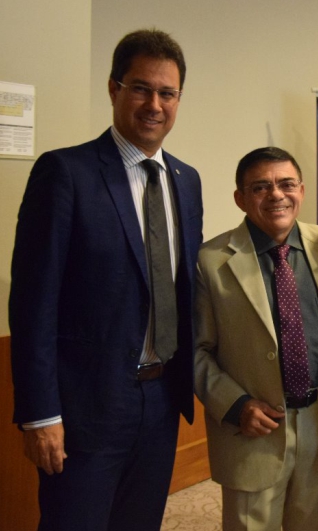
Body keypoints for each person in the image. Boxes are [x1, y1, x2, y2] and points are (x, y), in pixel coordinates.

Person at [9, 29, 203, 531]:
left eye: (167, 93)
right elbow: (33, 303)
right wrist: (40, 414)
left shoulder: (186, 180)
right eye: (141, 89)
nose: (154, 105)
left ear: (179, 99)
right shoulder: (65, 173)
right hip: (85, 409)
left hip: (162, 401)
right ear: (115, 89)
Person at [194, 147, 318, 531]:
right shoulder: (210, 260)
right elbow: (196, 351)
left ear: (302, 191)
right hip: (253, 429)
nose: (276, 194)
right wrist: (234, 405)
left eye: (286, 184)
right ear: (240, 198)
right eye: (260, 187)